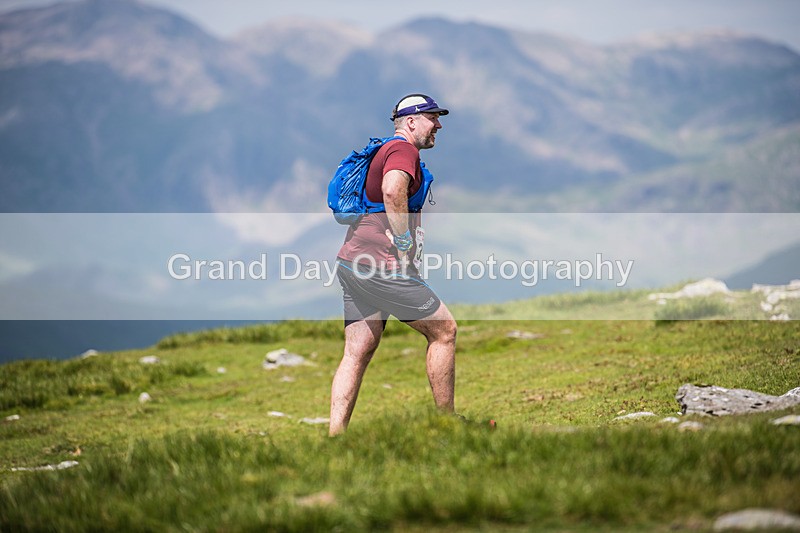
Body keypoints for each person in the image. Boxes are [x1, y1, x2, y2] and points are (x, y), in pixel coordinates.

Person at [329, 94, 458, 436]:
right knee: (444, 331)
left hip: (352, 262)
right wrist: (404, 244)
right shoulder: (403, 150)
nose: (439, 125)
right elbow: (391, 191)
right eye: (433, 118)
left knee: (356, 352)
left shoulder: (385, 149)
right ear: (411, 121)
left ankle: (335, 438)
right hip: (382, 265)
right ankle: (448, 426)